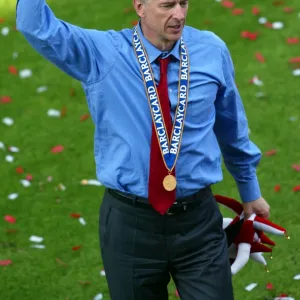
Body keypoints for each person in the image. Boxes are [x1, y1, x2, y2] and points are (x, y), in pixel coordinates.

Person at [16, 0, 271, 299]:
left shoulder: (210, 50)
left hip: (198, 223)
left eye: (183, 3)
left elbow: (231, 126)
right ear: (139, 6)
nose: (179, 14)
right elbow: (36, 26)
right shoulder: (102, 54)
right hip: (130, 227)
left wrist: (249, 189)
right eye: (167, 5)